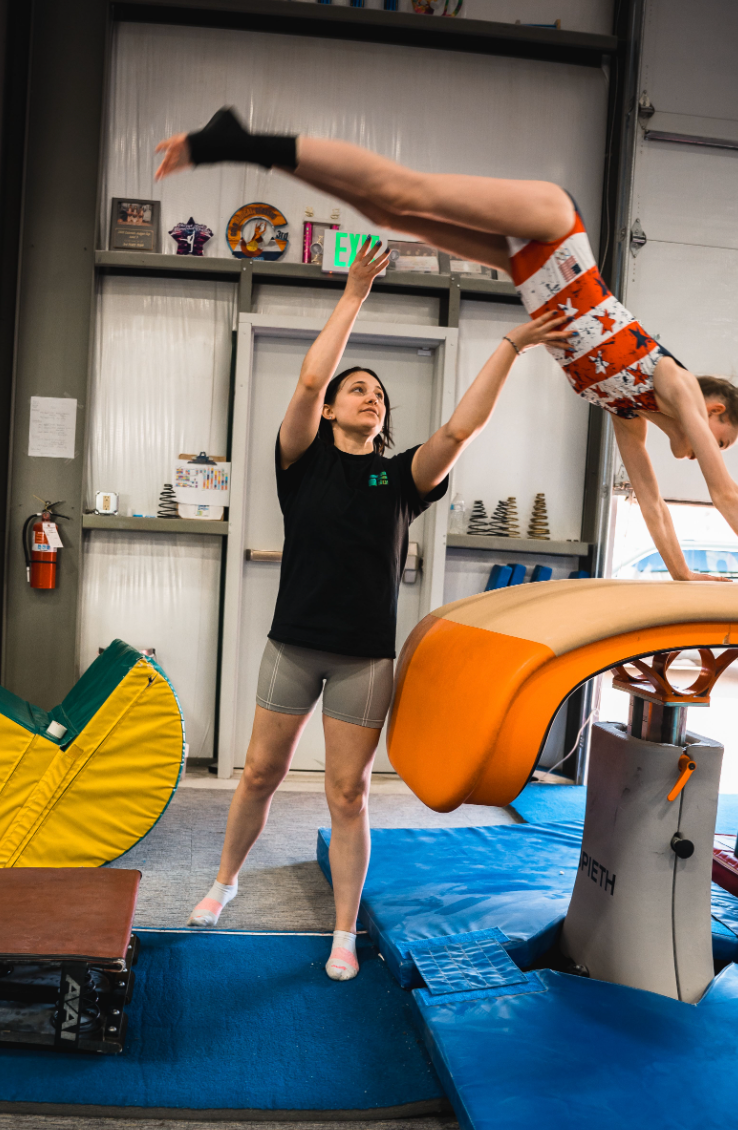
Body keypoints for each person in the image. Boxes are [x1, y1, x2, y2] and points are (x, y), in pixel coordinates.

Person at [184, 238, 571, 979]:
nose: (371, 397)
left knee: (349, 790)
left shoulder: (399, 479)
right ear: (332, 408)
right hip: (292, 647)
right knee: (260, 774)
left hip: (365, 658)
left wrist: (515, 345)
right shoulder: (302, 462)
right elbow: (305, 381)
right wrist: (354, 295)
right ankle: (224, 882)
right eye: (356, 389)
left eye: (379, 395)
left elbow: (461, 430)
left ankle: (341, 931)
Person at [155, 109, 738, 582]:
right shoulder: (676, 383)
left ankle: (244, 146)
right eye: (722, 439)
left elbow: (653, 507)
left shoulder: (627, 415)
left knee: (386, 210)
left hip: (529, 269)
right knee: (401, 191)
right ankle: (235, 141)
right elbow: (724, 492)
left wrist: (686, 577)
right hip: (556, 231)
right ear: (713, 412)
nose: (708, 452)